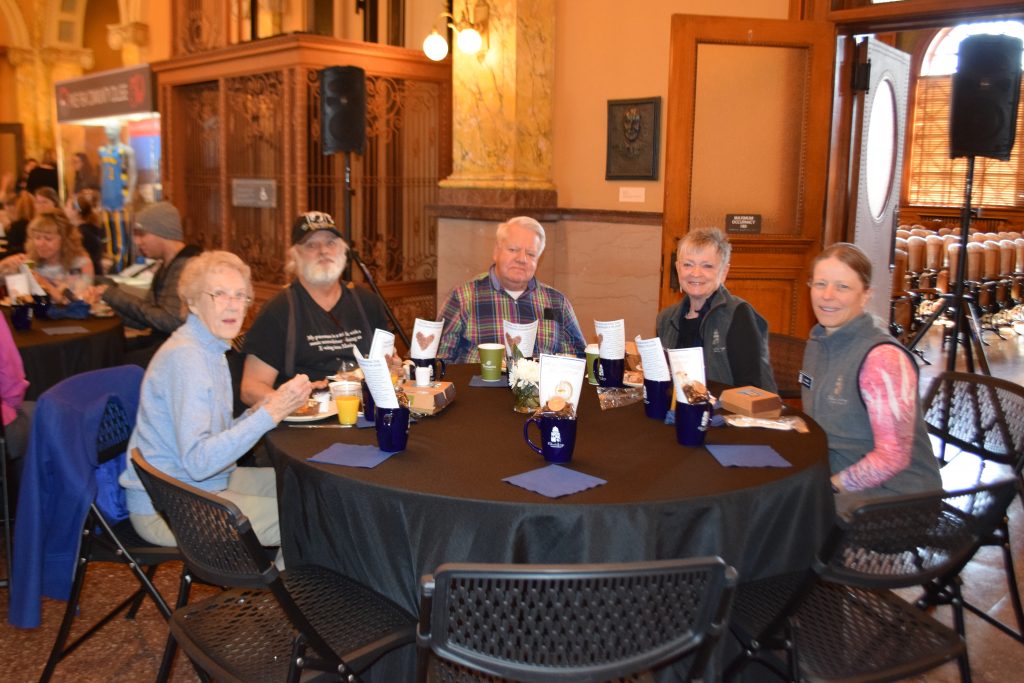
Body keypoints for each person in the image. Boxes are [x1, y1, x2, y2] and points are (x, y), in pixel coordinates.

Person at [118, 251, 311, 547]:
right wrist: (268, 415)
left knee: (310, 490)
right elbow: (199, 461)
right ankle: (289, 593)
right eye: (219, 294)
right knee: (309, 519)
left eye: (240, 296)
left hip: (201, 483)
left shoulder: (210, 346)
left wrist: (255, 413)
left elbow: (211, 437)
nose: (232, 305)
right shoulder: (188, 358)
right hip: (169, 506)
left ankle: (288, 585)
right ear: (193, 301)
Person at [802, 242, 941, 513]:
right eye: (820, 284)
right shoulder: (818, 342)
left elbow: (892, 458)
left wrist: (827, 486)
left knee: (775, 517)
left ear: (865, 295)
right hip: (838, 477)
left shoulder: (882, 359)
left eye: (843, 287)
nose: (827, 295)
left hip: (895, 500)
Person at [240, 211, 394, 405]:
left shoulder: (367, 303)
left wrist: (392, 365)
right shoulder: (278, 311)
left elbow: (386, 363)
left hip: (365, 414)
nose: (323, 250)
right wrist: (294, 402)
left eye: (331, 243)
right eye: (311, 245)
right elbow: (250, 389)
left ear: (343, 251)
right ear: (295, 256)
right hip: (302, 426)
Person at [437, 216, 587, 363]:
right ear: (496, 252)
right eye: (513, 249)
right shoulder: (464, 298)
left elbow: (579, 360)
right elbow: (439, 361)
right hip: (480, 386)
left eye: (530, 254)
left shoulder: (556, 302)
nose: (522, 259)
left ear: (538, 260)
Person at [656, 227, 776, 392]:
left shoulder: (738, 315)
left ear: (724, 271)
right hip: (677, 411)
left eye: (707, 266)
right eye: (688, 264)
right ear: (678, 269)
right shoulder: (666, 318)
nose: (696, 273)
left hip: (727, 413)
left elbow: (752, 389)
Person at [0, 210, 94, 303]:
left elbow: (75, 303)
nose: (41, 243)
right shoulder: (30, 261)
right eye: (37, 237)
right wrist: (3, 265)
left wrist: (42, 282)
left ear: (65, 241)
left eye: (48, 239)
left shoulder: (81, 264)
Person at [65, 188, 106, 275]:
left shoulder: (81, 234)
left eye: (67, 206)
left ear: (76, 211)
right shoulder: (90, 228)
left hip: (88, 278)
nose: (64, 209)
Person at [1, 191, 34, 256]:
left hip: (25, 263)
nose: (5, 208)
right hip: (30, 262)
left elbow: (15, 252)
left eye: (8, 205)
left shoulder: (18, 226)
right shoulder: (31, 223)